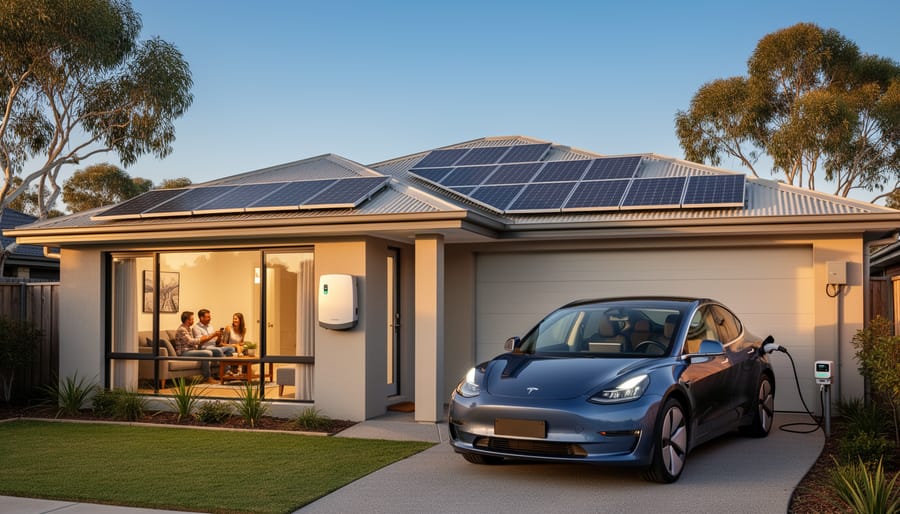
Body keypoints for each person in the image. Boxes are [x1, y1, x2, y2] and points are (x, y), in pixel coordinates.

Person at [174, 311, 222, 382]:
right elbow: (190, 341)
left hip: (191, 350)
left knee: (209, 353)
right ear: (187, 320)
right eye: (192, 319)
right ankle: (207, 377)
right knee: (208, 353)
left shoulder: (188, 328)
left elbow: (193, 342)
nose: (193, 321)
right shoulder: (182, 329)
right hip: (184, 352)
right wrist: (201, 339)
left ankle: (216, 375)